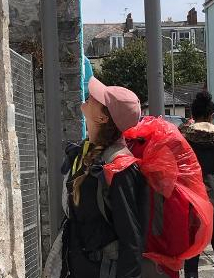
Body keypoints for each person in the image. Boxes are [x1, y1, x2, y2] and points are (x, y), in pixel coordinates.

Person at [63, 77, 148, 278]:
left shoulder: (120, 168)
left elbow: (132, 240)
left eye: (97, 98)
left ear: (103, 118)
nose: (90, 95)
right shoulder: (85, 153)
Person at [179, 92, 214, 278]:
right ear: (212, 115)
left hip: (191, 197)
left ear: (193, 115)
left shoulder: (184, 136)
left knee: (193, 246)